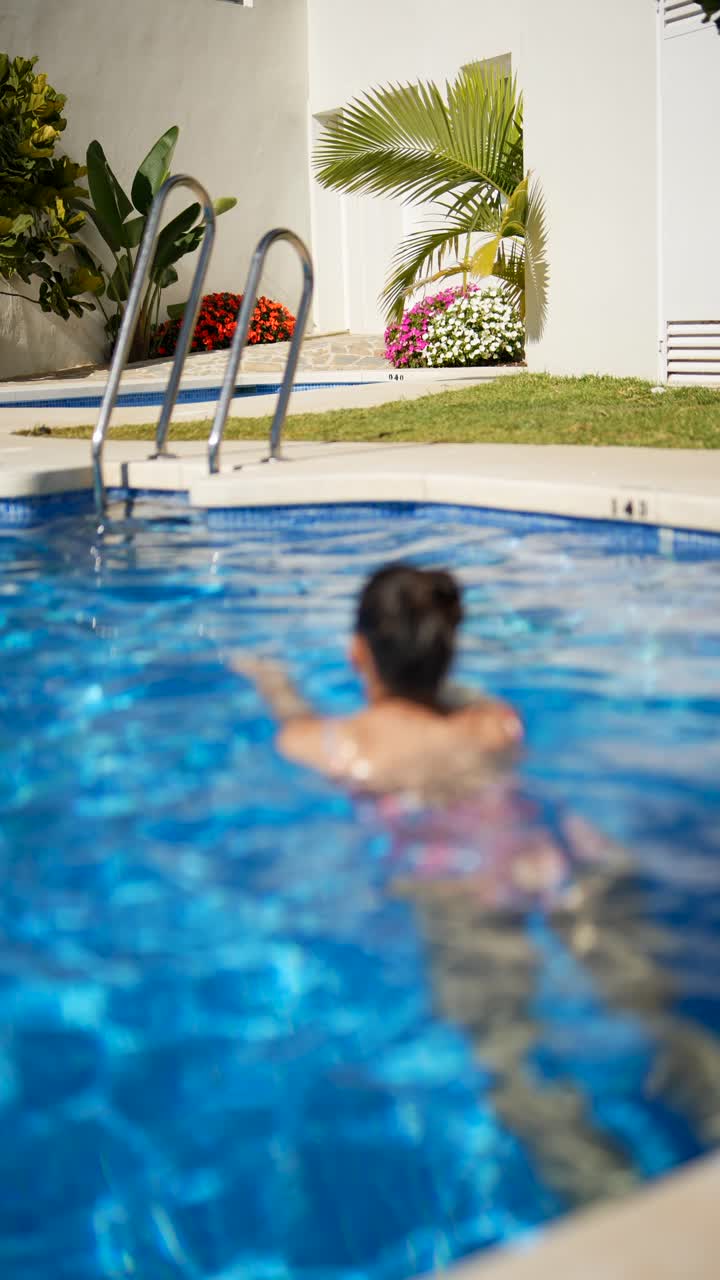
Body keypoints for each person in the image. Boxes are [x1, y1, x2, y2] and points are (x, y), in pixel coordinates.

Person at [230, 563, 523, 799]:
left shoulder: (332, 747)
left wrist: (274, 683)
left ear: (357, 652)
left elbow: (296, 724)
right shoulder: (495, 727)